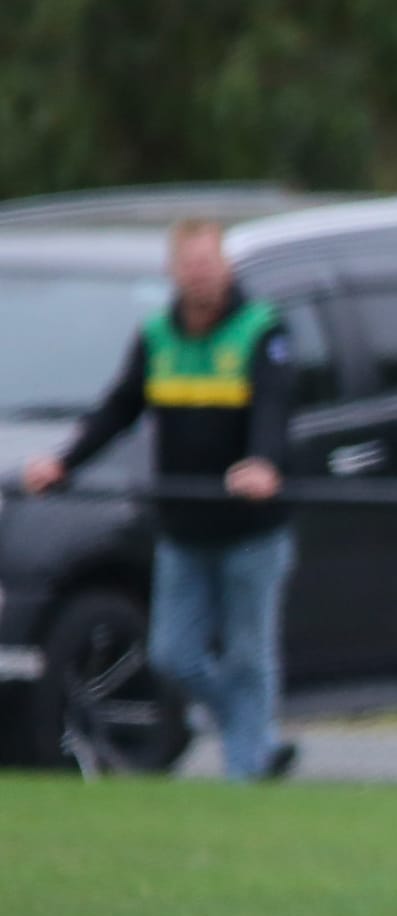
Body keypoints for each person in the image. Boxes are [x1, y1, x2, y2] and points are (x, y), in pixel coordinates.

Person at [23, 218, 296, 782]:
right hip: (184, 527)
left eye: (210, 264)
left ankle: (249, 773)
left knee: (249, 653)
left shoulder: (261, 331)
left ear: (226, 268)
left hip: (251, 528)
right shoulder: (157, 338)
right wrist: (64, 462)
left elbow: (274, 410)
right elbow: (118, 410)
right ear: (175, 273)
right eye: (191, 266)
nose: (201, 276)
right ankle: (253, 734)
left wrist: (262, 464)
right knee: (173, 654)